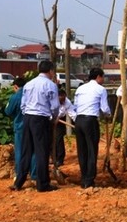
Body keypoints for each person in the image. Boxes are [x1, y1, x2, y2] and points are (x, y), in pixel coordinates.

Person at [11, 60, 60, 192]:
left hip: (27, 118)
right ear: (50, 71)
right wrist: (54, 118)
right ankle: (42, 183)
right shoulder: (50, 85)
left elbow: (23, 104)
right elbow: (55, 106)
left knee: (26, 150)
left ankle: (18, 182)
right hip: (41, 119)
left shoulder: (29, 84)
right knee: (41, 151)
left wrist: (27, 114)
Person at [73, 68, 111, 188]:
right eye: (103, 77)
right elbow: (104, 109)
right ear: (98, 77)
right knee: (91, 150)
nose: (103, 80)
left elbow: (75, 106)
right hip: (90, 121)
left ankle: (84, 177)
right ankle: (89, 180)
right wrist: (108, 115)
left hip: (78, 121)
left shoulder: (80, 88)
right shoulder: (101, 89)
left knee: (82, 150)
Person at [5, 77, 37, 182]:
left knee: (20, 151)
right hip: (34, 125)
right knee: (34, 151)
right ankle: (34, 175)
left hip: (20, 127)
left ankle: (19, 175)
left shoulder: (15, 97)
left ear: (15, 86)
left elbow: (8, 111)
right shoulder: (32, 94)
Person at [56, 89, 76, 166]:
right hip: (50, 118)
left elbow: (72, 113)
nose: (63, 101)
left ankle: (60, 159)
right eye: (61, 100)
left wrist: (78, 122)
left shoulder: (67, 102)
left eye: (64, 99)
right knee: (50, 139)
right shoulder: (51, 100)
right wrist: (53, 118)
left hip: (61, 119)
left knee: (59, 139)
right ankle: (53, 157)